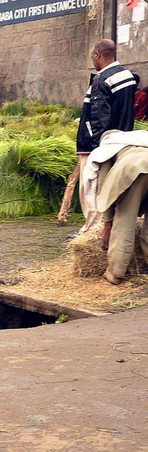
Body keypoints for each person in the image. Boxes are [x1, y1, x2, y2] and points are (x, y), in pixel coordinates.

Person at [76, 39, 136, 232]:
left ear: (97, 55)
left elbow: (98, 117)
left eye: (93, 57)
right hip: (121, 138)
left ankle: (92, 229)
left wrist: (96, 149)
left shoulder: (101, 79)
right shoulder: (126, 75)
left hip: (100, 145)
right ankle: (104, 227)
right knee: (112, 187)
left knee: (91, 187)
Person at [79, 129, 148, 284]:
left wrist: (108, 222)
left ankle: (115, 273)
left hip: (135, 170)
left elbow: (105, 189)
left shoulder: (106, 149)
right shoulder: (139, 139)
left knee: (124, 220)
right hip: (142, 163)